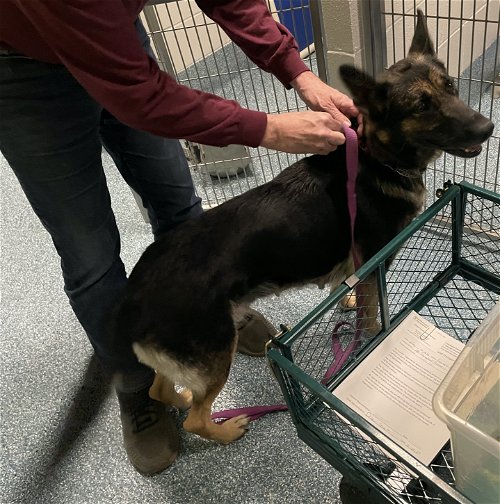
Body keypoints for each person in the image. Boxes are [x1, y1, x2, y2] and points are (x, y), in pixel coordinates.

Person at [0, 0, 360, 474]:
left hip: (119, 40)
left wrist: (299, 73)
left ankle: (221, 313)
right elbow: (143, 100)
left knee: (181, 208)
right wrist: (268, 128)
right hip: (21, 71)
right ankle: (137, 385)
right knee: (89, 253)